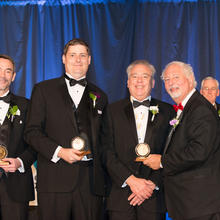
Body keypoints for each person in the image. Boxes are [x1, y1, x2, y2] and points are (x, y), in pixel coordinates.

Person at [24, 38, 109, 220]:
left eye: (82, 55)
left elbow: (104, 140)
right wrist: (60, 152)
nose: (78, 60)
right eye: (72, 55)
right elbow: (31, 132)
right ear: (63, 58)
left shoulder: (100, 96)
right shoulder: (43, 90)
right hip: (54, 182)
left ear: (89, 60)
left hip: (90, 185)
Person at [143, 61, 220, 220]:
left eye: (176, 77)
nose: (171, 83)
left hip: (199, 204)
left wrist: (163, 161)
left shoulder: (200, 109)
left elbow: (199, 152)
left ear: (191, 80)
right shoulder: (186, 108)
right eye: (167, 79)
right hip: (187, 203)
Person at [105, 60, 175, 220]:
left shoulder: (167, 111)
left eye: (145, 76)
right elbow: (105, 150)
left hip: (153, 196)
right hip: (120, 195)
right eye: (134, 76)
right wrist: (130, 180)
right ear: (128, 82)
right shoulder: (112, 111)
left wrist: (150, 185)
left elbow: (171, 152)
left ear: (153, 82)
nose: (139, 81)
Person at [0, 54, 36, 219]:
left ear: (13, 77)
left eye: (8, 71)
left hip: (16, 187)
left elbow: (36, 143)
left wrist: (20, 162)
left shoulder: (27, 106)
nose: (3, 75)